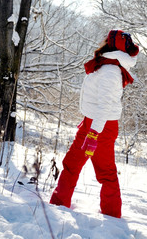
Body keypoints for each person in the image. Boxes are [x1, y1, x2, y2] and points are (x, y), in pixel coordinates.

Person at [50, 29, 139, 218]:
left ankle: (112, 216)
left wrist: (93, 133)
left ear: (110, 44)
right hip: (93, 124)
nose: (102, 41)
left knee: (105, 172)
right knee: (72, 164)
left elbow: (105, 106)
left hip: (101, 127)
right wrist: (88, 125)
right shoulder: (107, 65)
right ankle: (58, 205)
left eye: (106, 39)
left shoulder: (110, 71)